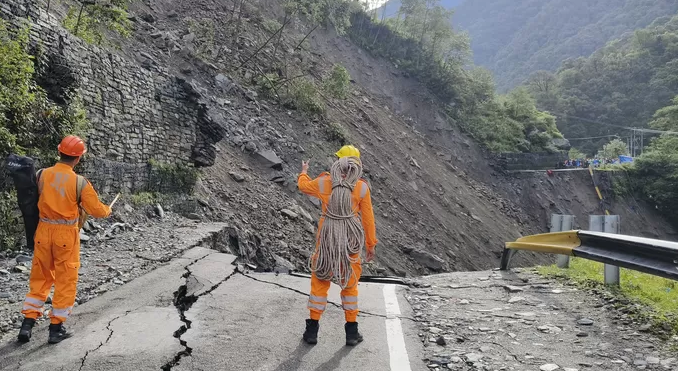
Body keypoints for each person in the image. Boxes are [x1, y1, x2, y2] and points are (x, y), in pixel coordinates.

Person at [18, 135, 112, 344]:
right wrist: (108, 210)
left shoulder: (41, 174)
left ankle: (27, 325)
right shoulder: (80, 182)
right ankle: (55, 329)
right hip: (66, 237)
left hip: (42, 232)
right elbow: (96, 210)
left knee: (40, 277)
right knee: (65, 280)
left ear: (59, 152)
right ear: (78, 158)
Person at [297, 145, 377, 346]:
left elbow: (304, 187)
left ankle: (312, 331)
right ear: (357, 164)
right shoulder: (361, 187)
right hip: (349, 244)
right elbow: (367, 219)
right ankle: (351, 333)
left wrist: (304, 172)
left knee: (320, 282)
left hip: (327, 243)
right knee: (350, 286)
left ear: (338, 161)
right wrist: (370, 244)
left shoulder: (324, 182)